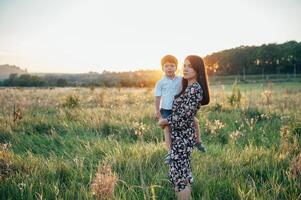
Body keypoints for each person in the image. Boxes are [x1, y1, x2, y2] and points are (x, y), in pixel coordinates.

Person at [158, 55, 210, 200]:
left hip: (182, 139)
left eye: (190, 66)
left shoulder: (195, 89)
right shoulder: (187, 87)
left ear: (198, 69)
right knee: (181, 174)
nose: (185, 68)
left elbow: (184, 117)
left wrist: (165, 122)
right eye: (184, 65)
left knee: (179, 177)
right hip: (179, 138)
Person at [154, 55, 206, 164]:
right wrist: (157, 111)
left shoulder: (181, 79)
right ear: (162, 68)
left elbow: (188, 89)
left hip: (179, 108)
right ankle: (169, 153)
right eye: (166, 66)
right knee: (166, 128)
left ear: (176, 67)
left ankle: (198, 141)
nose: (169, 68)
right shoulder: (160, 83)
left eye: (172, 66)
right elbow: (157, 97)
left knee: (195, 121)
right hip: (166, 109)